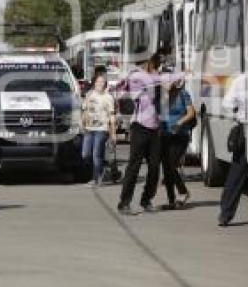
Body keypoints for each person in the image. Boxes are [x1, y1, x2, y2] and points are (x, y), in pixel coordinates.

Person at [116, 53, 181, 215]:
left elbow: (169, 93)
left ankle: (146, 199)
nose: (158, 67)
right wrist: (180, 74)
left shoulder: (156, 78)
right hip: (139, 127)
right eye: (155, 64)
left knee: (154, 168)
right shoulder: (137, 76)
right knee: (134, 166)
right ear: (147, 63)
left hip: (155, 128)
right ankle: (124, 203)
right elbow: (154, 81)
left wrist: (175, 84)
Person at [219, 74, 248, 227]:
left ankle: (225, 214)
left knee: (237, 174)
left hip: (245, 128)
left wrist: (236, 113)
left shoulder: (241, 79)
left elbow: (227, 103)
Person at [159, 77, 195, 210]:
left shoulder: (182, 94)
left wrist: (179, 123)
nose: (167, 83)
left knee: (172, 165)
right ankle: (171, 200)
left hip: (180, 135)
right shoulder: (162, 96)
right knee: (167, 169)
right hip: (165, 135)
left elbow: (191, 113)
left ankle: (183, 192)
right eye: (164, 81)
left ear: (175, 82)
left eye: (169, 81)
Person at [81, 74, 116, 186]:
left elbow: (111, 115)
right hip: (89, 128)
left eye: (102, 82)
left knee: (96, 154)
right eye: (98, 81)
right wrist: (82, 123)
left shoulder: (108, 97)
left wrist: (113, 133)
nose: (100, 84)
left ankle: (96, 179)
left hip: (102, 129)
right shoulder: (89, 95)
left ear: (105, 84)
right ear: (94, 83)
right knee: (85, 154)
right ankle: (102, 169)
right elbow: (85, 110)